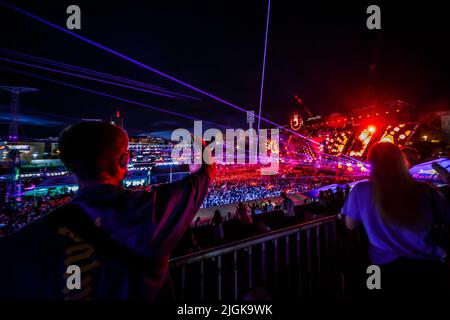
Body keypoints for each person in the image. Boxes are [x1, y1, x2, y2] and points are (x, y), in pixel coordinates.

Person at [0, 121, 216, 300]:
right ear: (124, 160)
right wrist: (203, 151)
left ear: (69, 165)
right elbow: (204, 175)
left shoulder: (30, 237)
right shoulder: (149, 211)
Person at [342, 142, 450, 300]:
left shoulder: (361, 190)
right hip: (428, 266)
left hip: (381, 268)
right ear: (401, 160)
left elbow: (350, 225)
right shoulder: (426, 190)